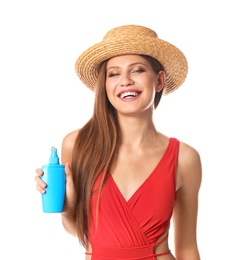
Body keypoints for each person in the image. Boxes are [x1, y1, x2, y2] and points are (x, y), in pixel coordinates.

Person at [35, 24, 202, 260]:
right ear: (105, 85)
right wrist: (66, 207)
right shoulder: (77, 144)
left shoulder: (185, 158)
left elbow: (187, 249)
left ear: (160, 80)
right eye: (114, 74)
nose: (125, 81)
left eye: (138, 70)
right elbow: (79, 232)